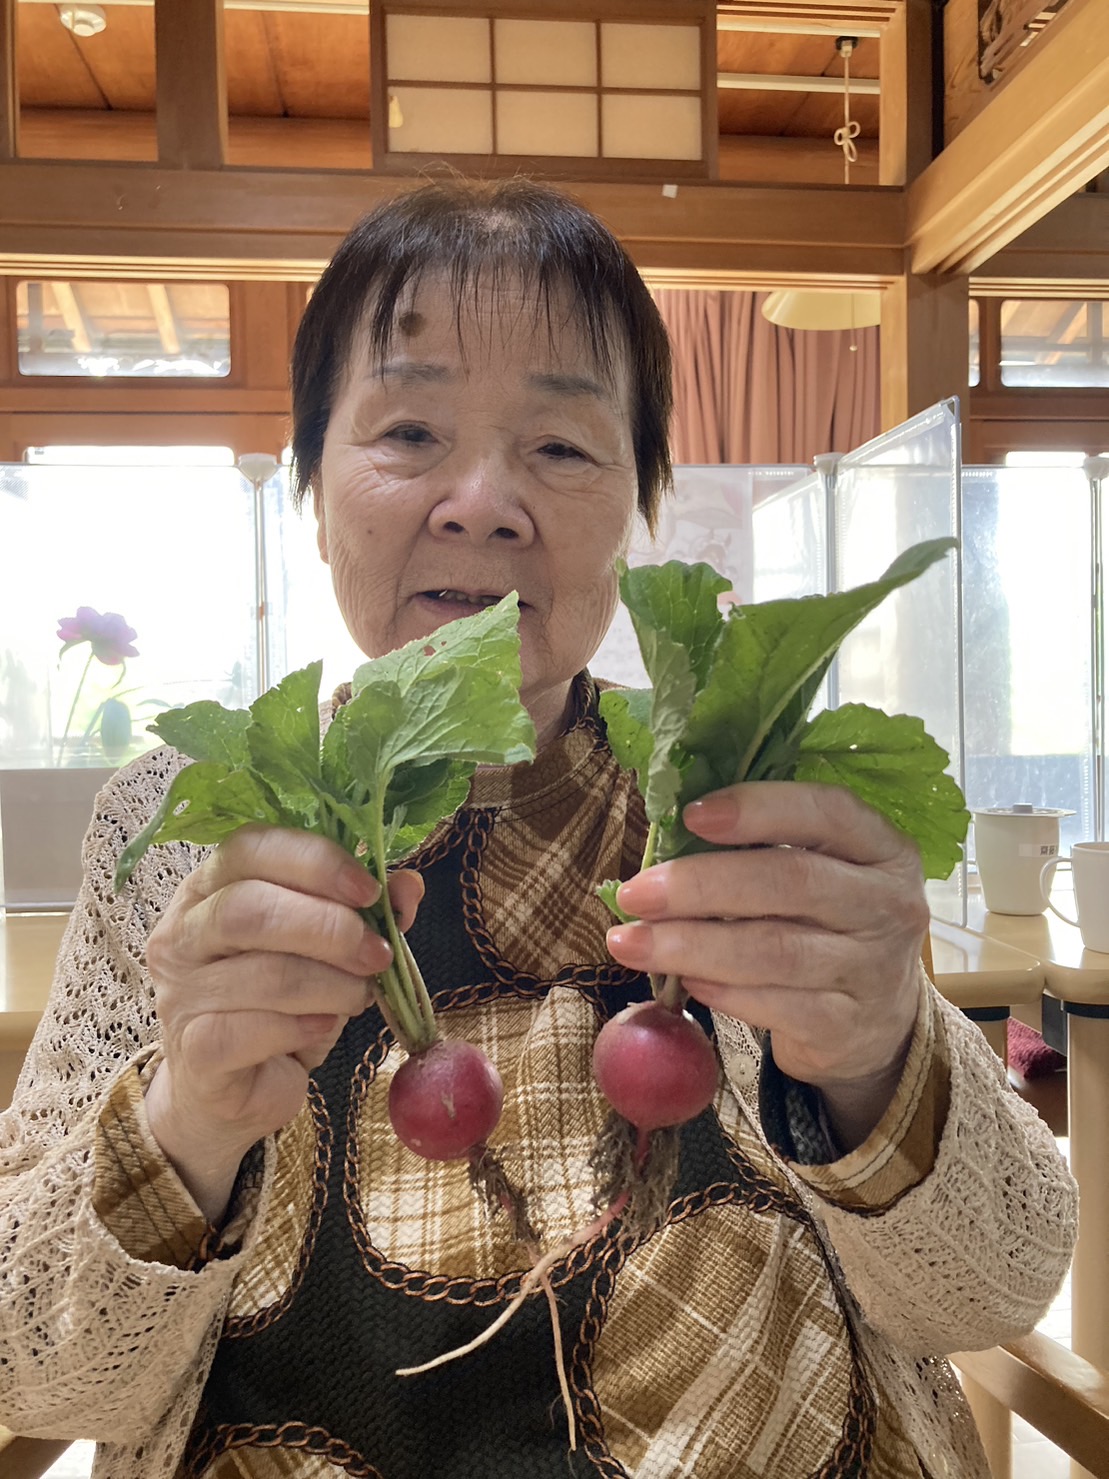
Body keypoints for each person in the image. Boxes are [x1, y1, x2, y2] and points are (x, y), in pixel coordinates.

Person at [0, 178, 1076, 1479]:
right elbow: (40, 1365)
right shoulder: (178, 830)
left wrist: (878, 1057)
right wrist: (184, 1121)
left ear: (639, 506)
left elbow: (993, 1289)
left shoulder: (747, 801)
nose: (482, 501)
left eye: (561, 448)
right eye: (408, 431)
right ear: (310, 487)